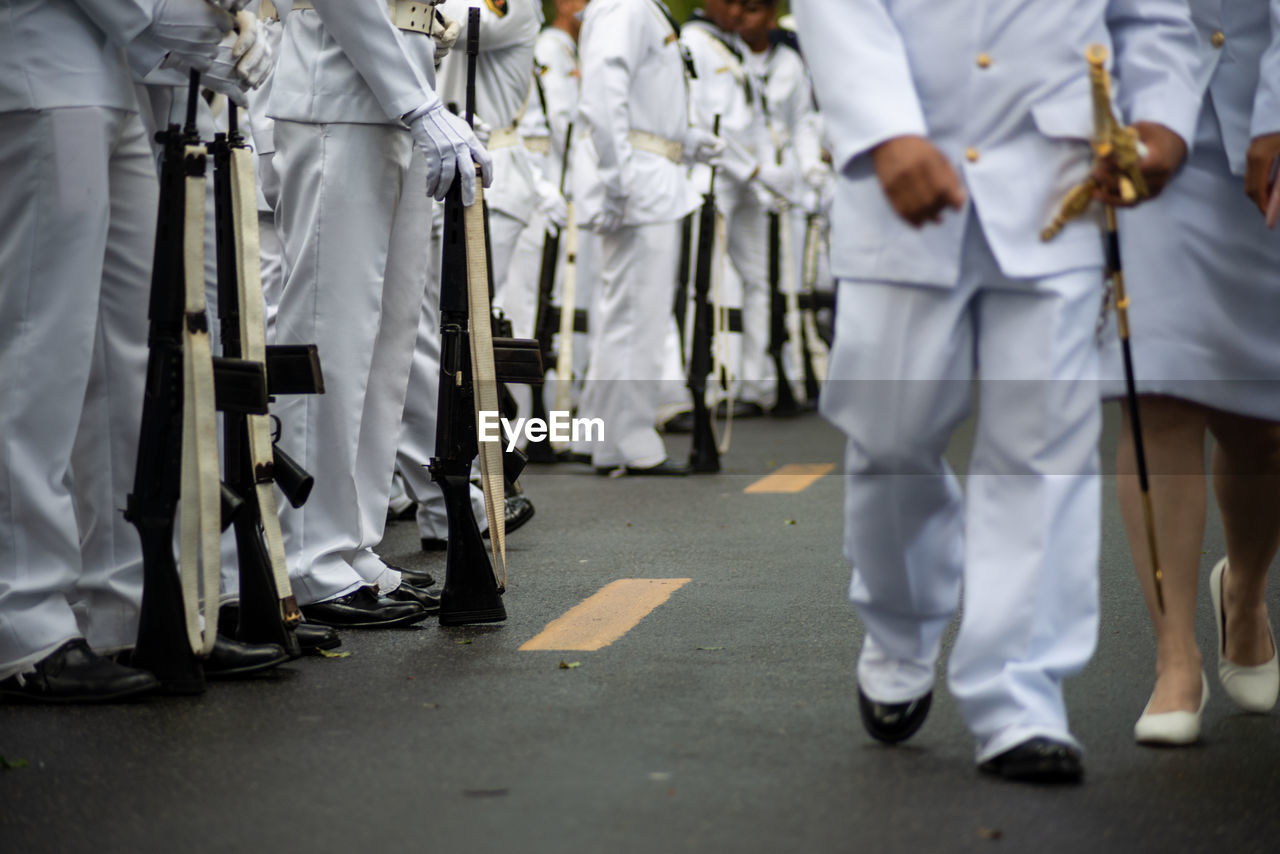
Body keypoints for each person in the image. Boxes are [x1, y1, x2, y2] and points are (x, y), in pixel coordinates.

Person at [793, 0, 1200, 782]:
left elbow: (1153, 17)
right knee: (890, 438)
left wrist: (1162, 121)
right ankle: (901, 621)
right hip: (904, 167)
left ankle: (1020, 696)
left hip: (1058, 179)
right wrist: (883, 129)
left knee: (1041, 448)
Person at [0, 0, 243, 701]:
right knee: (35, 351)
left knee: (127, 356)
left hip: (108, 74)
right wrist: (159, 13)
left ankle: (126, 603)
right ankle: (21, 618)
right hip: (38, 53)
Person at [268, 0, 490, 627]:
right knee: (330, 334)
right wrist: (416, 100)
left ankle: (351, 541)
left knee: (385, 348)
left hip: (392, 99)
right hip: (339, 95)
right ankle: (309, 553)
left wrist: (421, 87)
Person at [1107, 0, 1280, 746]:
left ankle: (1242, 590)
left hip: (1269, 121)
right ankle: (1174, 658)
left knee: (1263, 428)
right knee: (1159, 394)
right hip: (1146, 126)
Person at [572, 0, 723, 476]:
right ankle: (630, 441)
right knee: (639, 317)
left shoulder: (643, 9)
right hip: (641, 180)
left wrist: (687, 137)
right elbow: (603, 93)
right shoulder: (630, 8)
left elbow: (643, 98)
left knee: (630, 313)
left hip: (651, 170)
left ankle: (601, 434)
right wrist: (619, 181)